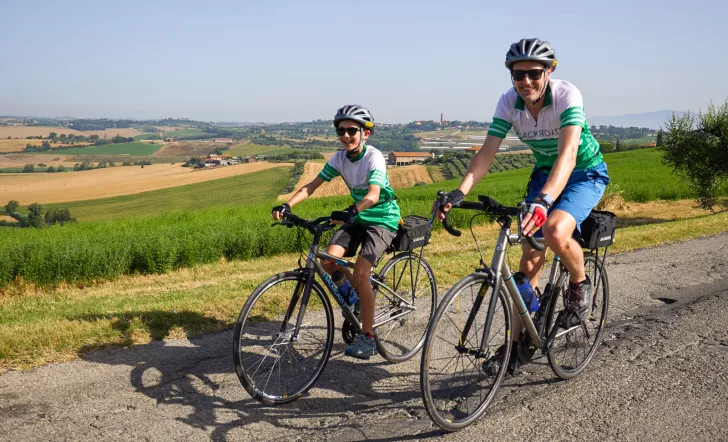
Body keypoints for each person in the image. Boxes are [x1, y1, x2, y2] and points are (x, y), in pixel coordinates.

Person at [439, 38, 610, 372]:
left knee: (556, 230)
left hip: (584, 172)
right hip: (546, 172)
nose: (526, 81)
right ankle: (517, 346)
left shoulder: (565, 95)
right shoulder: (508, 103)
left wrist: (545, 201)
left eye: (534, 73)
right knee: (530, 256)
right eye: (519, 74)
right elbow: (487, 152)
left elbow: (569, 154)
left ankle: (579, 285)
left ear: (549, 71)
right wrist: (459, 192)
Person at [272, 104, 401, 359]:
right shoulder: (340, 158)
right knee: (329, 261)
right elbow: (311, 186)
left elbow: (374, 194)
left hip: (382, 218)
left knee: (362, 272)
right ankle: (355, 299)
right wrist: (287, 205)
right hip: (357, 216)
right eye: (341, 131)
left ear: (366, 133)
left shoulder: (373, 157)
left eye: (352, 130)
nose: (345, 135)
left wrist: (353, 210)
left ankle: (368, 337)